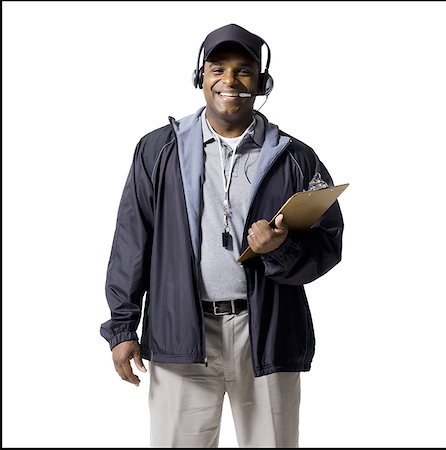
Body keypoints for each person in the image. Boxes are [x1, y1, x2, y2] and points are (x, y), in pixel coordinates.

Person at [100, 23, 344, 448]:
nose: (229, 81)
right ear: (201, 77)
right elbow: (131, 242)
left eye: (244, 70)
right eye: (218, 69)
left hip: (266, 333)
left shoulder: (298, 158)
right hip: (181, 334)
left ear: (261, 82)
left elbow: (329, 245)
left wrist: (281, 248)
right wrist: (122, 327)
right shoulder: (158, 150)